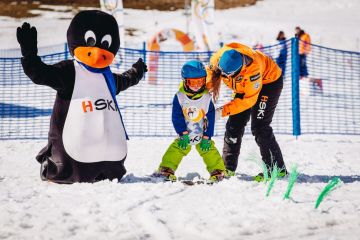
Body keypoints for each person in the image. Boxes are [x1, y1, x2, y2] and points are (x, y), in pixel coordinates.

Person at [206, 42, 287, 182]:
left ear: (240, 69)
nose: (224, 76)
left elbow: (248, 101)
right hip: (243, 88)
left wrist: (220, 112)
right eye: (222, 72)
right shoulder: (219, 58)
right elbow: (209, 77)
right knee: (233, 126)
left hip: (269, 84)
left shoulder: (252, 70)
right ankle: (227, 168)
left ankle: (277, 170)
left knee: (260, 127)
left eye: (228, 74)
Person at [154, 60, 226, 182]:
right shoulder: (180, 97)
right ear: (185, 81)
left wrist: (207, 137)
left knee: (209, 150)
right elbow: (176, 116)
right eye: (193, 82)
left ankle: (218, 171)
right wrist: (183, 133)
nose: (197, 85)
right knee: (176, 149)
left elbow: (210, 118)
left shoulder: (207, 98)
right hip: (185, 134)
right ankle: (166, 169)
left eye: (200, 81)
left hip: (201, 134)